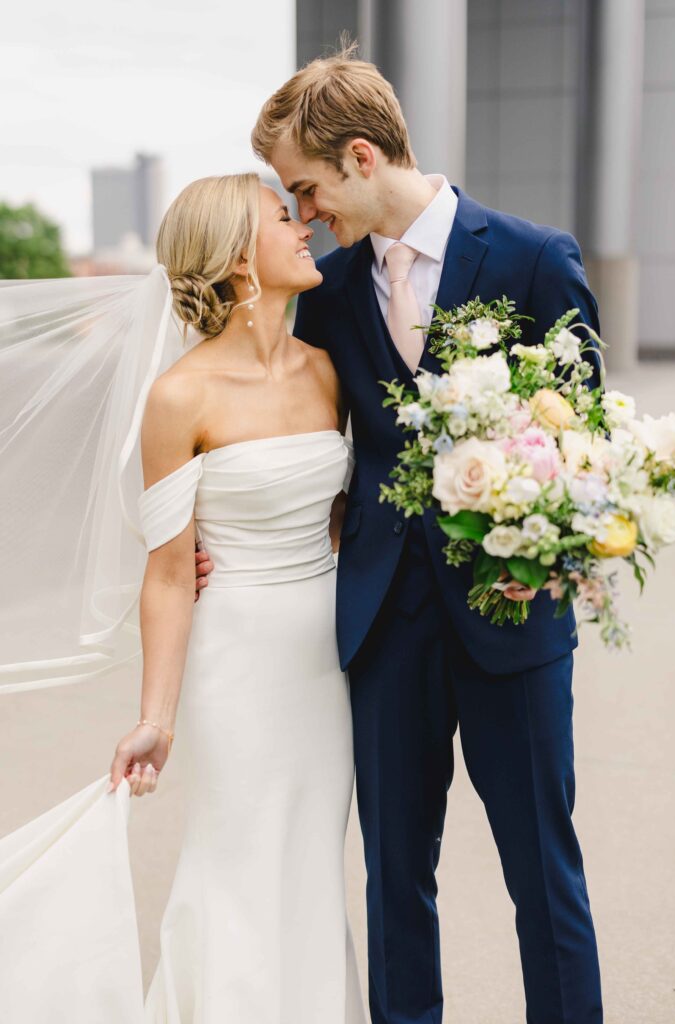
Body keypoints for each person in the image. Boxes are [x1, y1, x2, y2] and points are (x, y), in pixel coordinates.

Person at [199, 45, 603, 1024]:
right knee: (392, 878)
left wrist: (540, 548)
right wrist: (213, 522)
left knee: (542, 878)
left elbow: (589, 446)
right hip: (383, 624)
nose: (302, 214)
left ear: (362, 157)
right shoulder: (328, 294)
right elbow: (267, 404)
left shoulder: (529, 258)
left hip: (511, 623)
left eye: (305, 188)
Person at [0, 173, 366, 1024]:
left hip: (330, 656)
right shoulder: (181, 395)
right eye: (285, 217)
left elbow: (348, 509)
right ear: (241, 257)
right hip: (237, 661)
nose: (304, 225)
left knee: (309, 863)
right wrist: (155, 721)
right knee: (236, 858)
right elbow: (169, 571)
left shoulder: (327, 370)